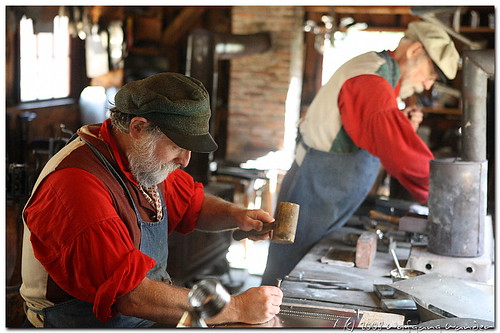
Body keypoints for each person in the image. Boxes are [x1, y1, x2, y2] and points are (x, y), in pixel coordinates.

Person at [20, 72, 283, 328]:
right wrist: (234, 307)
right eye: (178, 146)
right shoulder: (77, 185)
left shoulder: (141, 160)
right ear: (138, 127)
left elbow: (194, 203)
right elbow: (131, 296)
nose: (185, 160)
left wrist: (238, 216)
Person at [261, 21, 460, 285]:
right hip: (315, 189)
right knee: (286, 275)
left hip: (329, 188)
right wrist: (447, 189)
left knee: (302, 271)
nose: (426, 86)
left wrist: (399, 121)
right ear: (414, 52)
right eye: (431, 74)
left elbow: (370, 128)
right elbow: (399, 149)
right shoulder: (371, 80)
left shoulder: (380, 71)